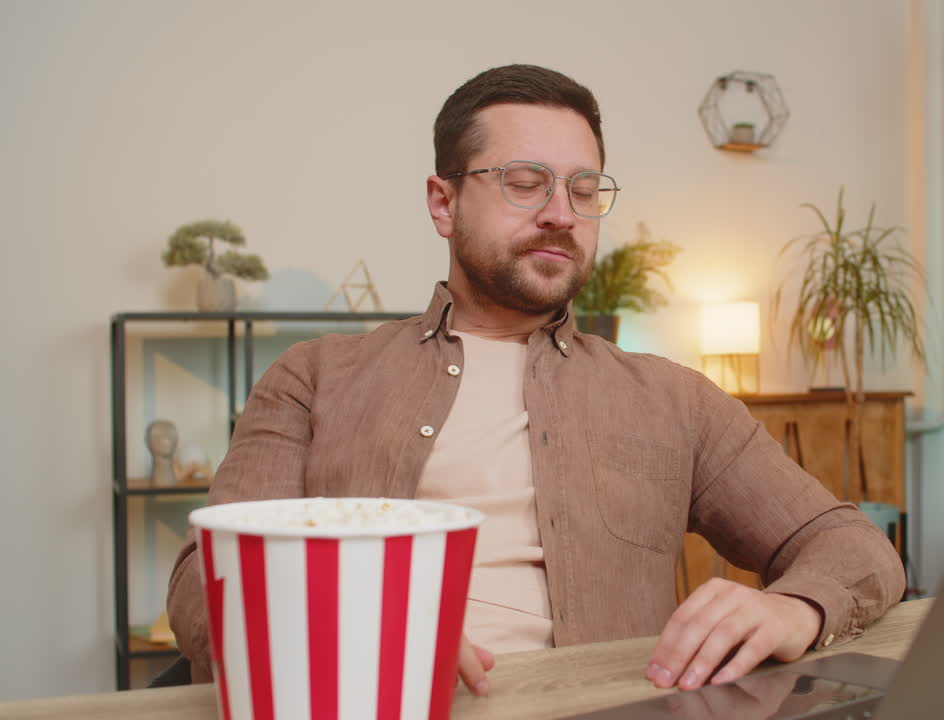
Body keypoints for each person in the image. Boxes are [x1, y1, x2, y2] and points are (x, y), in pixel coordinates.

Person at [167, 63, 904, 696]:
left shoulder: (674, 400)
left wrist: (796, 608)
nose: (561, 213)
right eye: (526, 183)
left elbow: (853, 546)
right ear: (443, 202)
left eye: (585, 191)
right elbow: (203, 582)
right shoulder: (316, 377)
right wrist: (360, 627)